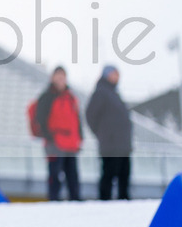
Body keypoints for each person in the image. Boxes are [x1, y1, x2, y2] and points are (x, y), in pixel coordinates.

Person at [35, 66, 83, 201]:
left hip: (70, 142)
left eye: (63, 76)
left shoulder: (71, 97)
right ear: (52, 78)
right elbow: (40, 118)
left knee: (72, 174)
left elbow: (77, 119)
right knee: (54, 173)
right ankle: (54, 199)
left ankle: (75, 200)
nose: (61, 79)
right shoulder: (47, 96)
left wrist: (80, 137)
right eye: (58, 76)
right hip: (54, 143)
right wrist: (49, 136)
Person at [85, 65, 132, 200]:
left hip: (123, 145)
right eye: (114, 74)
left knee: (124, 176)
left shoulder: (115, 94)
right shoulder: (101, 92)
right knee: (109, 175)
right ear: (107, 75)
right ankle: (104, 202)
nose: (117, 77)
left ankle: (124, 202)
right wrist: (103, 134)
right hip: (110, 145)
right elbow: (90, 115)